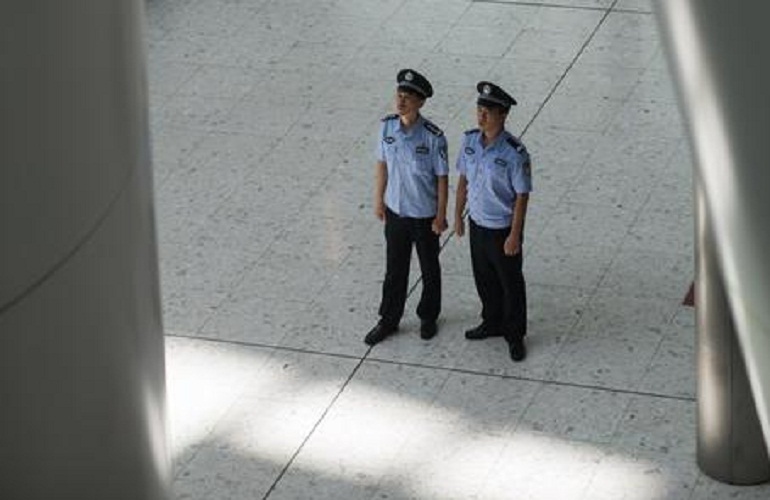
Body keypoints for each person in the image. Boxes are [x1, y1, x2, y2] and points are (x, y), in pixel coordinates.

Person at [364, 69, 449, 346]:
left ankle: (428, 316)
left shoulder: (433, 137)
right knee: (394, 269)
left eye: (408, 97)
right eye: (399, 95)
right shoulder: (387, 127)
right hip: (396, 212)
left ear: (420, 102)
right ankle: (388, 319)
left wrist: (441, 215)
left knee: (429, 268)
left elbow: (442, 178)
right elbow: (382, 166)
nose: (401, 101)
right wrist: (379, 200)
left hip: (424, 215)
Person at [453, 81, 532, 362]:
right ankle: (491, 321)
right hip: (477, 224)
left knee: (510, 283)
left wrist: (514, 234)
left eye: (488, 110)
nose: (481, 115)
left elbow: (522, 197)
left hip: (502, 228)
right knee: (484, 278)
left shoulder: (514, 152)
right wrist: (458, 216)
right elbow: (462, 180)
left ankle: (514, 334)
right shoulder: (470, 141)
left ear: (503, 115)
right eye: (479, 109)